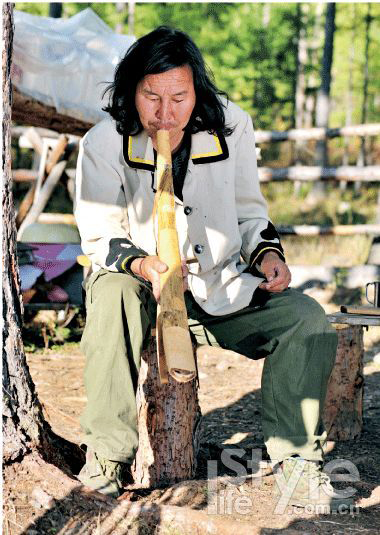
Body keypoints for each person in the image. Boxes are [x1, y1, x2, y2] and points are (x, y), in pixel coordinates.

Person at [74, 26, 351, 510]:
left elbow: (249, 212)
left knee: (306, 319)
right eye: (151, 97)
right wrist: (143, 266)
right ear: (130, 92)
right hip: (140, 288)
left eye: (179, 97)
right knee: (113, 290)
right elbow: (99, 233)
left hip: (216, 289)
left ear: (196, 91)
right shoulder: (103, 142)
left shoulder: (231, 126)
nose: (165, 112)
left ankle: (298, 461)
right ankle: (106, 461)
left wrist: (267, 255)